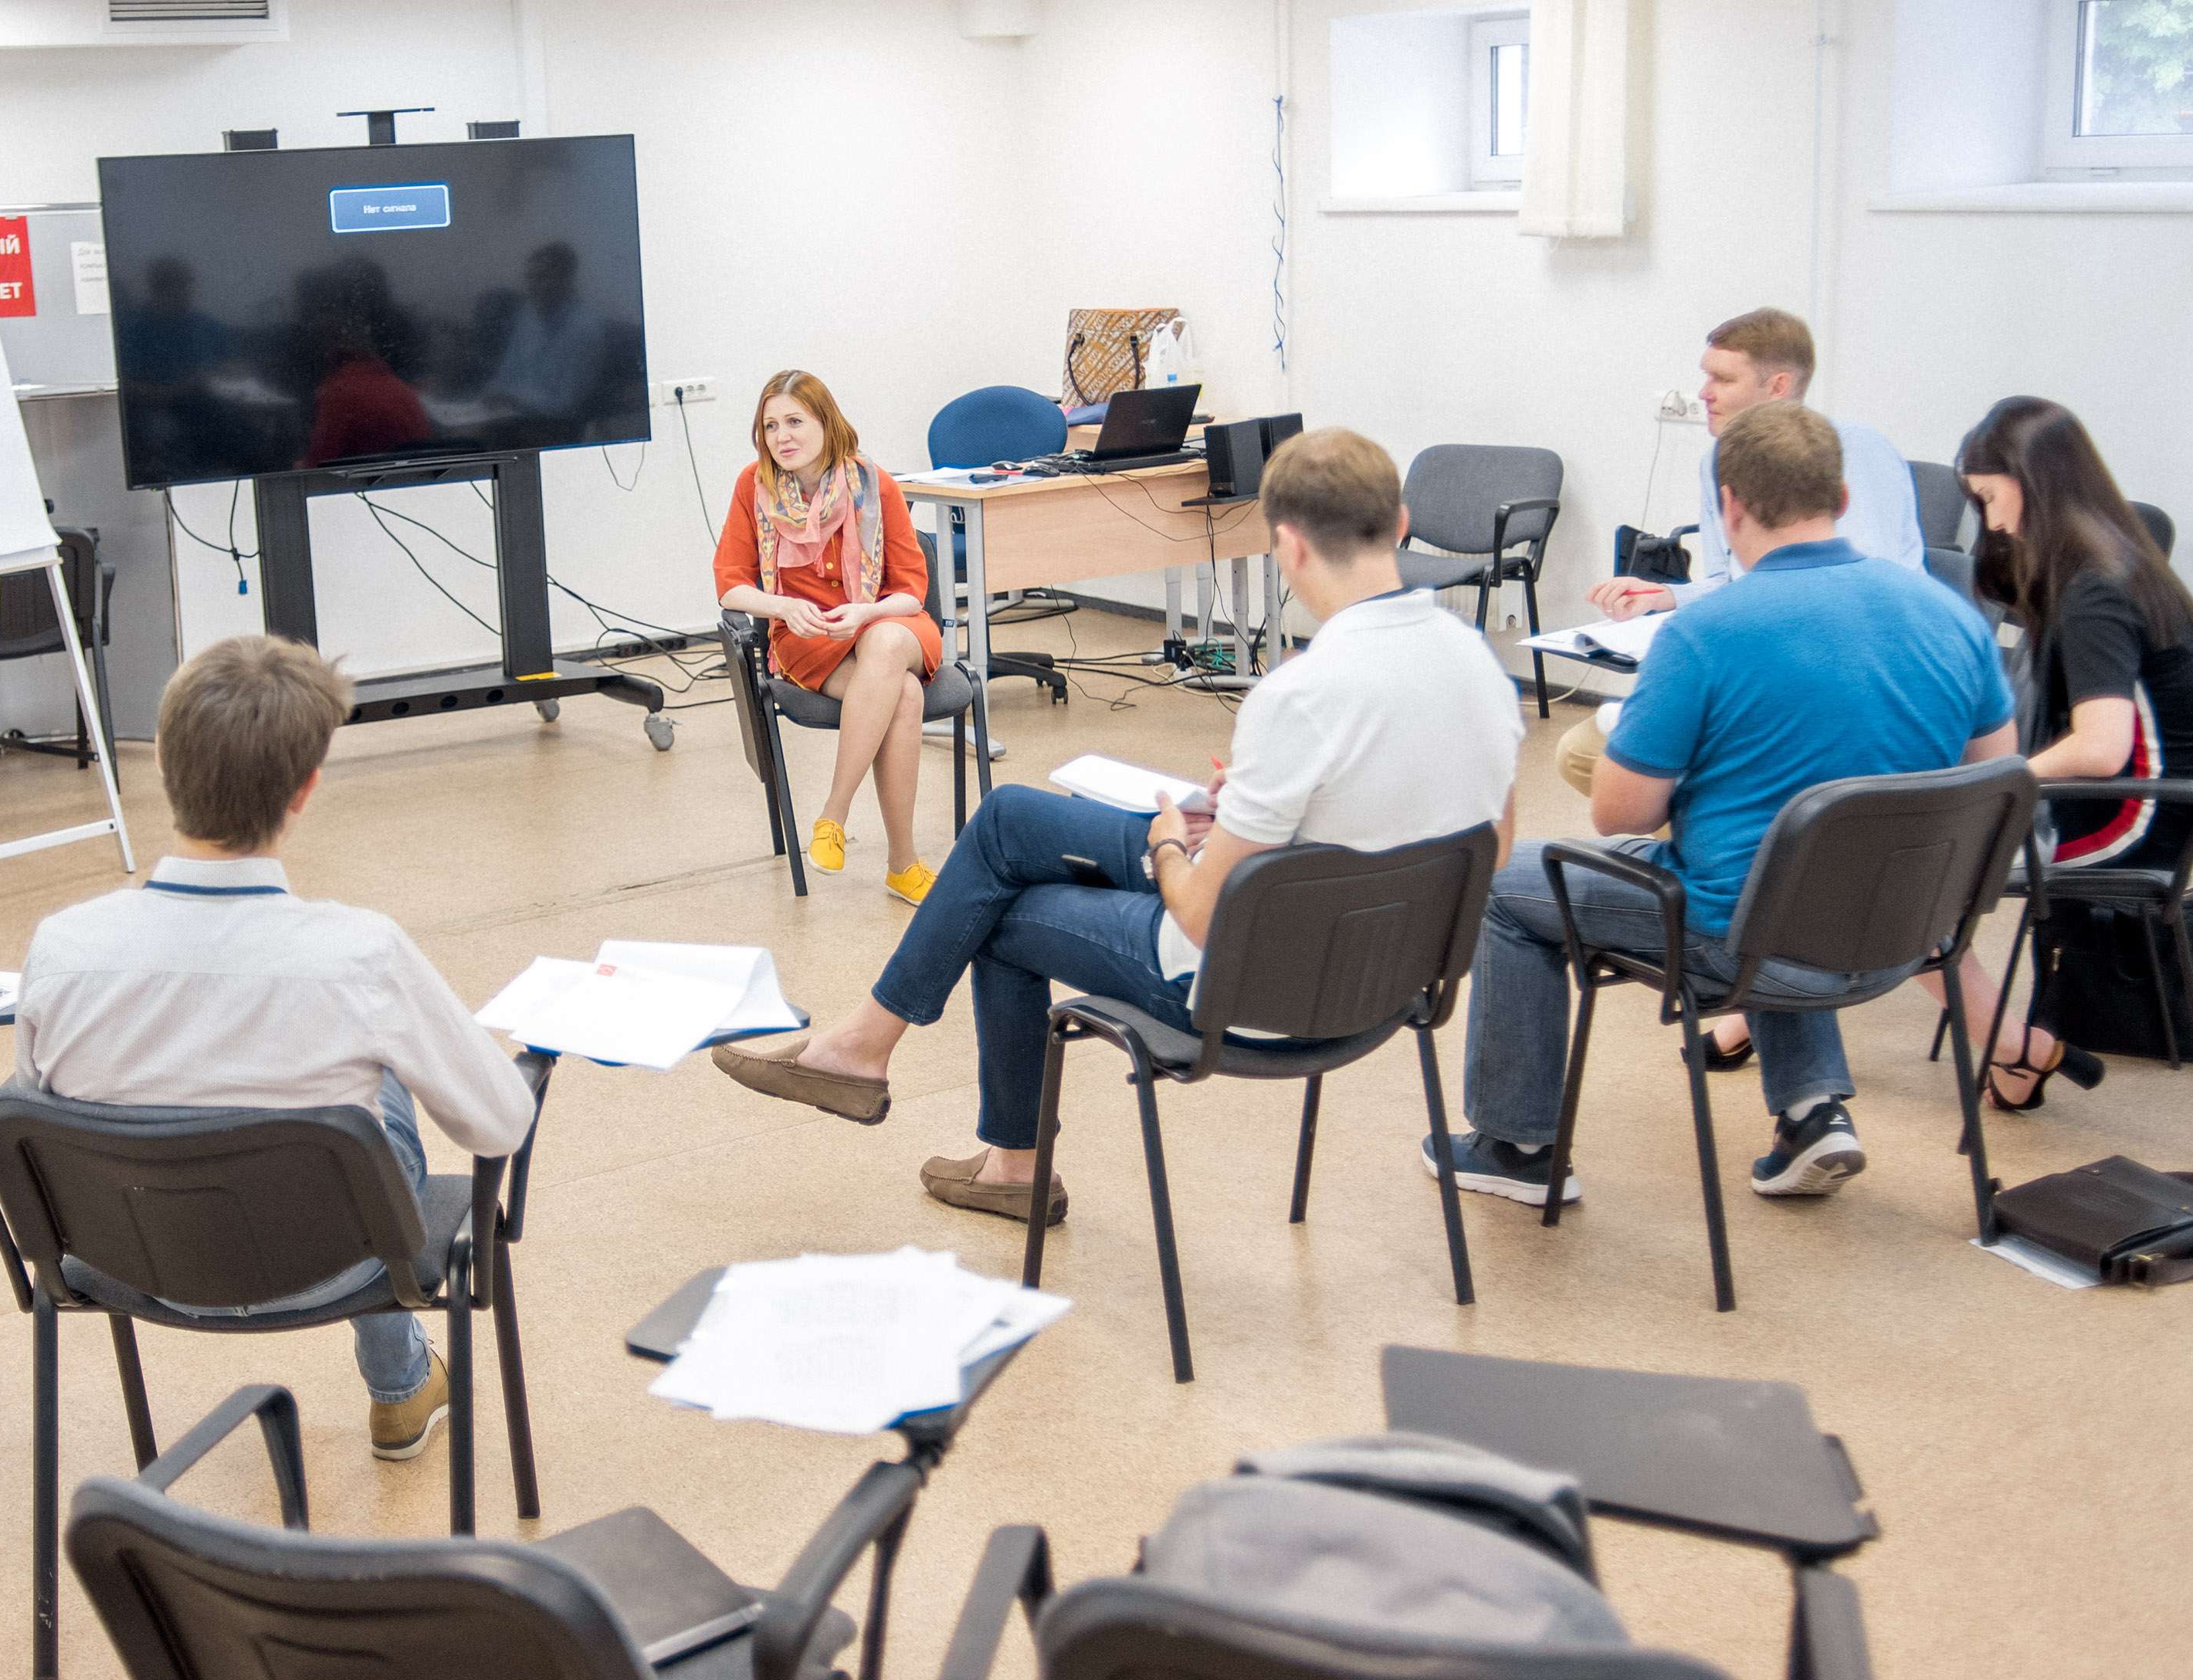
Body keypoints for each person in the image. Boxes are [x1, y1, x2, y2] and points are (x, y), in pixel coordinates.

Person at [711, 429, 1524, 1222]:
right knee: (1008, 822)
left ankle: (958, 1123)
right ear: (1401, 524)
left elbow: (1199, 915)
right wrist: (1256, 811)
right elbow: (1491, 849)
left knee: (998, 905)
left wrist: (1172, 840)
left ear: (1290, 546)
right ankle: (900, 1080)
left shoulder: (1301, 695)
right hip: (1391, 978)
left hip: (1247, 986)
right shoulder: (1478, 661)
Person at [1444, 403, 2018, 1208]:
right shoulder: (1953, 618)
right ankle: (1812, 1110)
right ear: (1843, 499)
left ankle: (1516, 1144)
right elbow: (1995, 783)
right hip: (1907, 935)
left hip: (1748, 941)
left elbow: (1619, 814)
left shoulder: (1704, 633)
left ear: (1730, 505)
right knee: (1782, 870)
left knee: (1504, 884)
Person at [10, 634, 537, 1464]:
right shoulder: (362, 955)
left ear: (164, 765)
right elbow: (498, 1125)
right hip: (339, 1262)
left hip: (132, 1259)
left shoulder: (60, 948)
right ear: (305, 789)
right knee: (373, 1080)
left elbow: (37, 1122)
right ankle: (400, 1386)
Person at [1568, 310, 1925, 1070]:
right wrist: (1669, 596)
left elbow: (1846, 591)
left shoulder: (1859, 453)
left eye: (1721, 378)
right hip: (1888, 840)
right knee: (1595, 756)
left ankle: (1747, 970)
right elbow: (1737, 579)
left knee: (1659, 788)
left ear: (1779, 385)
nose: (1703, 392)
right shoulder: (1720, 462)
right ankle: (1784, 1043)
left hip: (1852, 706)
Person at [1930, 395, 2193, 1112]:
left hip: (2133, 818)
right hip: (2134, 801)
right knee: (1909, 861)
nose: (1994, 523)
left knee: (1906, 879)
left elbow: (2101, 746)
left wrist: (1991, 782)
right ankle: (2021, 1048)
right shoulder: (2112, 558)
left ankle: (2017, 1049)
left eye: (1990, 500)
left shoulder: (2096, 590)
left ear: (2035, 484)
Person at [713, 369, 950, 906]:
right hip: (809, 639)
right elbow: (730, 585)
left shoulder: (874, 483)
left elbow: (911, 590)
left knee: (885, 644)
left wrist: (867, 613)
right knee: (903, 694)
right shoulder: (754, 486)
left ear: (826, 422)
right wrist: (783, 606)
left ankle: (833, 815)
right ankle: (903, 865)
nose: (782, 436)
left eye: (795, 421)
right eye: (771, 425)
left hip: (892, 627)